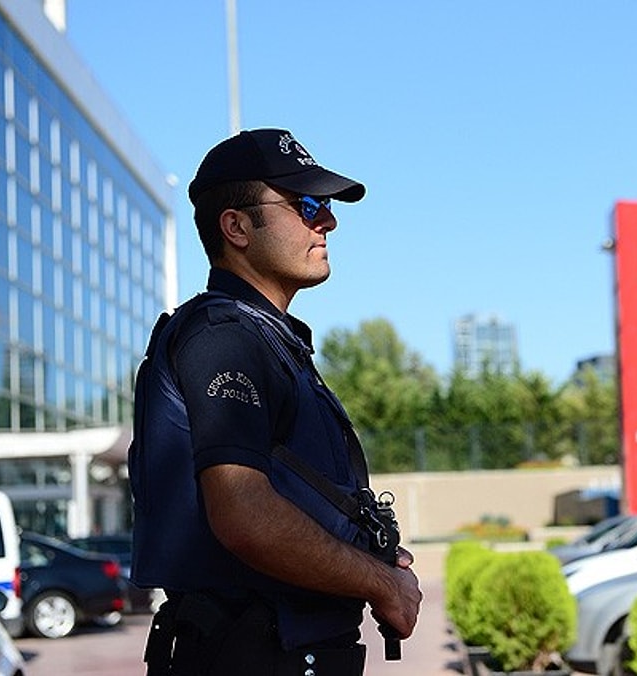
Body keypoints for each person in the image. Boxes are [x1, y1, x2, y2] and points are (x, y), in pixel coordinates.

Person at [129, 128, 422, 675]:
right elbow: (243, 512)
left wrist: (366, 556)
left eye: (327, 206)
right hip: (250, 655)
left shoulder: (267, 339)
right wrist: (382, 583)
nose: (327, 221)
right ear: (236, 226)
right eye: (306, 205)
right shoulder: (224, 336)